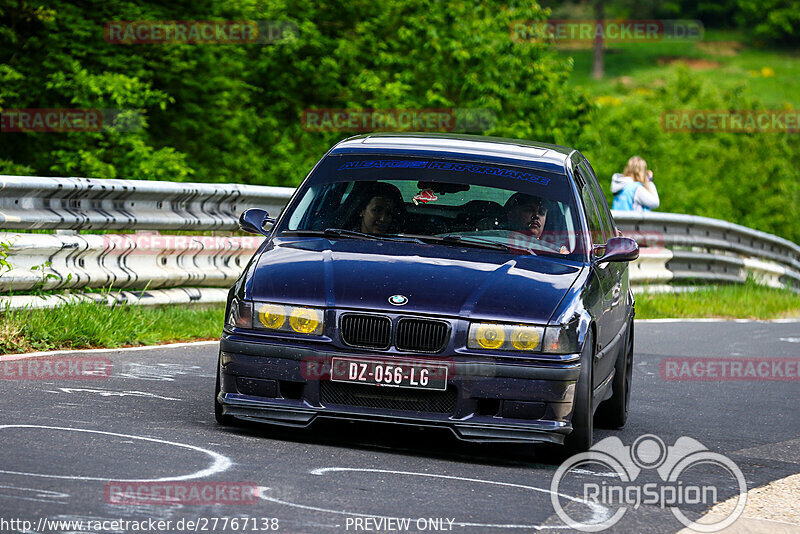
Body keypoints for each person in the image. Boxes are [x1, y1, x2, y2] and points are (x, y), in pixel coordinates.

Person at [477, 193, 548, 238]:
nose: (536, 216)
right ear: (511, 214)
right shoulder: (490, 239)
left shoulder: (554, 253)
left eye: (541, 213)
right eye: (529, 210)